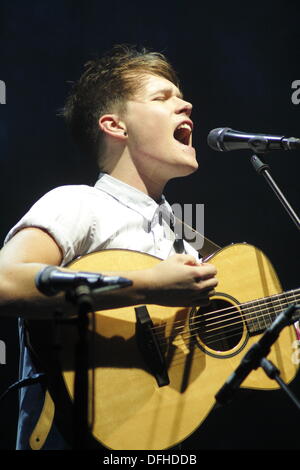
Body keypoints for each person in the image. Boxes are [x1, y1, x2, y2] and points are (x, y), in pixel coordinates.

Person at [0, 45, 218, 450]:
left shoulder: (187, 238)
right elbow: (5, 284)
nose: (186, 104)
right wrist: (148, 284)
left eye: (181, 96)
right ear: (115, 126)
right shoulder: (77, 202)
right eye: (162, 97)